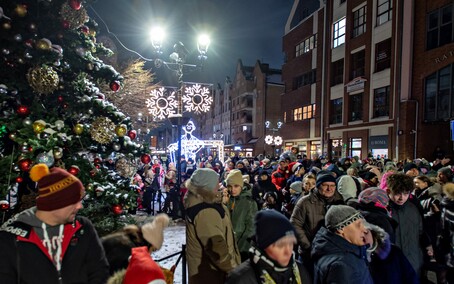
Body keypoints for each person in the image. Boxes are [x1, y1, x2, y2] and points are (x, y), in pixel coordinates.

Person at [0, 163, 109, 283]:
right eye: (74, 201)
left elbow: (99, 272)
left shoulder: (83, 228)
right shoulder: (10, 237)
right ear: (56, 204)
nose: (80, 206)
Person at [184, 168, 240, 283]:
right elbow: (216, 248)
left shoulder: (204, 202)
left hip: (209, 272)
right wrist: (234, 270)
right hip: (211, 274)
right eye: (216, 182)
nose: (219, 184)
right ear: (207, 186)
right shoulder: (205, 211)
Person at [226, 210, 311, 284]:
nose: (288, 251)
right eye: (280, 245)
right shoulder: (240, 279)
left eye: (291, 243)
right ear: (264, 246)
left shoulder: (300, 271)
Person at [290, 173, 344, 267]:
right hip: (309, 254)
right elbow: (295, 225)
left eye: (332, 186)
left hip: (332, 254)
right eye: (325, 185)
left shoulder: (339, 200)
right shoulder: (304, 202)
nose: (329, 189)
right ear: (318, 186)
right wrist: (308, 246)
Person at [311, 205, 373, 284]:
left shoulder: (331, 250)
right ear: (341, 229)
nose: (364, 229)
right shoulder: (342, 265)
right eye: (358, 225)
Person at [102, 213, 169, 275]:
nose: (150, 254)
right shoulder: (127, 250)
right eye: (153, 250)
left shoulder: (126, 239)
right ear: (148, 244)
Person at [224, 169, 258, 261]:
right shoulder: (227, 199)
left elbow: (250, 228)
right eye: (230, 186)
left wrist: (241, 249)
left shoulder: (249, 202)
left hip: (241, 248)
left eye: (236, 186)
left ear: (241, 186)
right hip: (226, 245)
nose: (233, 189)